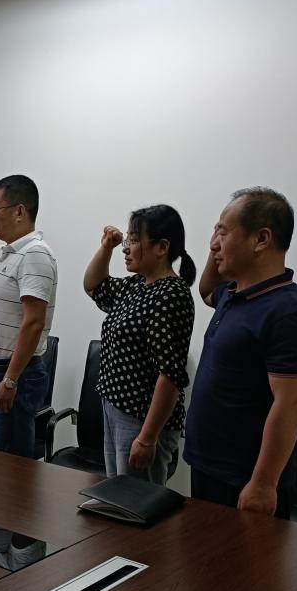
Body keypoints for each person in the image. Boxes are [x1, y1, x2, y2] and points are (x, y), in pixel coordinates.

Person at [185, 187, 297, 518]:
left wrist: (263, 483)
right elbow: (206, 289)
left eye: (223, 232)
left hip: (243, 479)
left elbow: (289, 403)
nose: (214, 243)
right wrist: (218, 241)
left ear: (261, 239)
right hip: (207, 466)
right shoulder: (232, 294)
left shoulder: (288, 313)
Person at [83, 205, 196, 484]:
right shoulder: (136, 285)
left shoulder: (171, 294)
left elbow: (170, 374)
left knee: (136, 502)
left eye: (134, 240)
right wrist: (106, 247)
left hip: (140, 420)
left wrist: (147, 437)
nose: (126, 248)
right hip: (115, 408)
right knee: (117, 496)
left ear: (162, 247)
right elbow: (93, 286)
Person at [0, 174, 57, 457]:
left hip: (13, 375)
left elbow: (34, 323)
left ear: (19, 211)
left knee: (11, 466)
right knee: (0, 461)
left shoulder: (35, 254)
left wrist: (10, 380)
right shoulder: (8, 252)